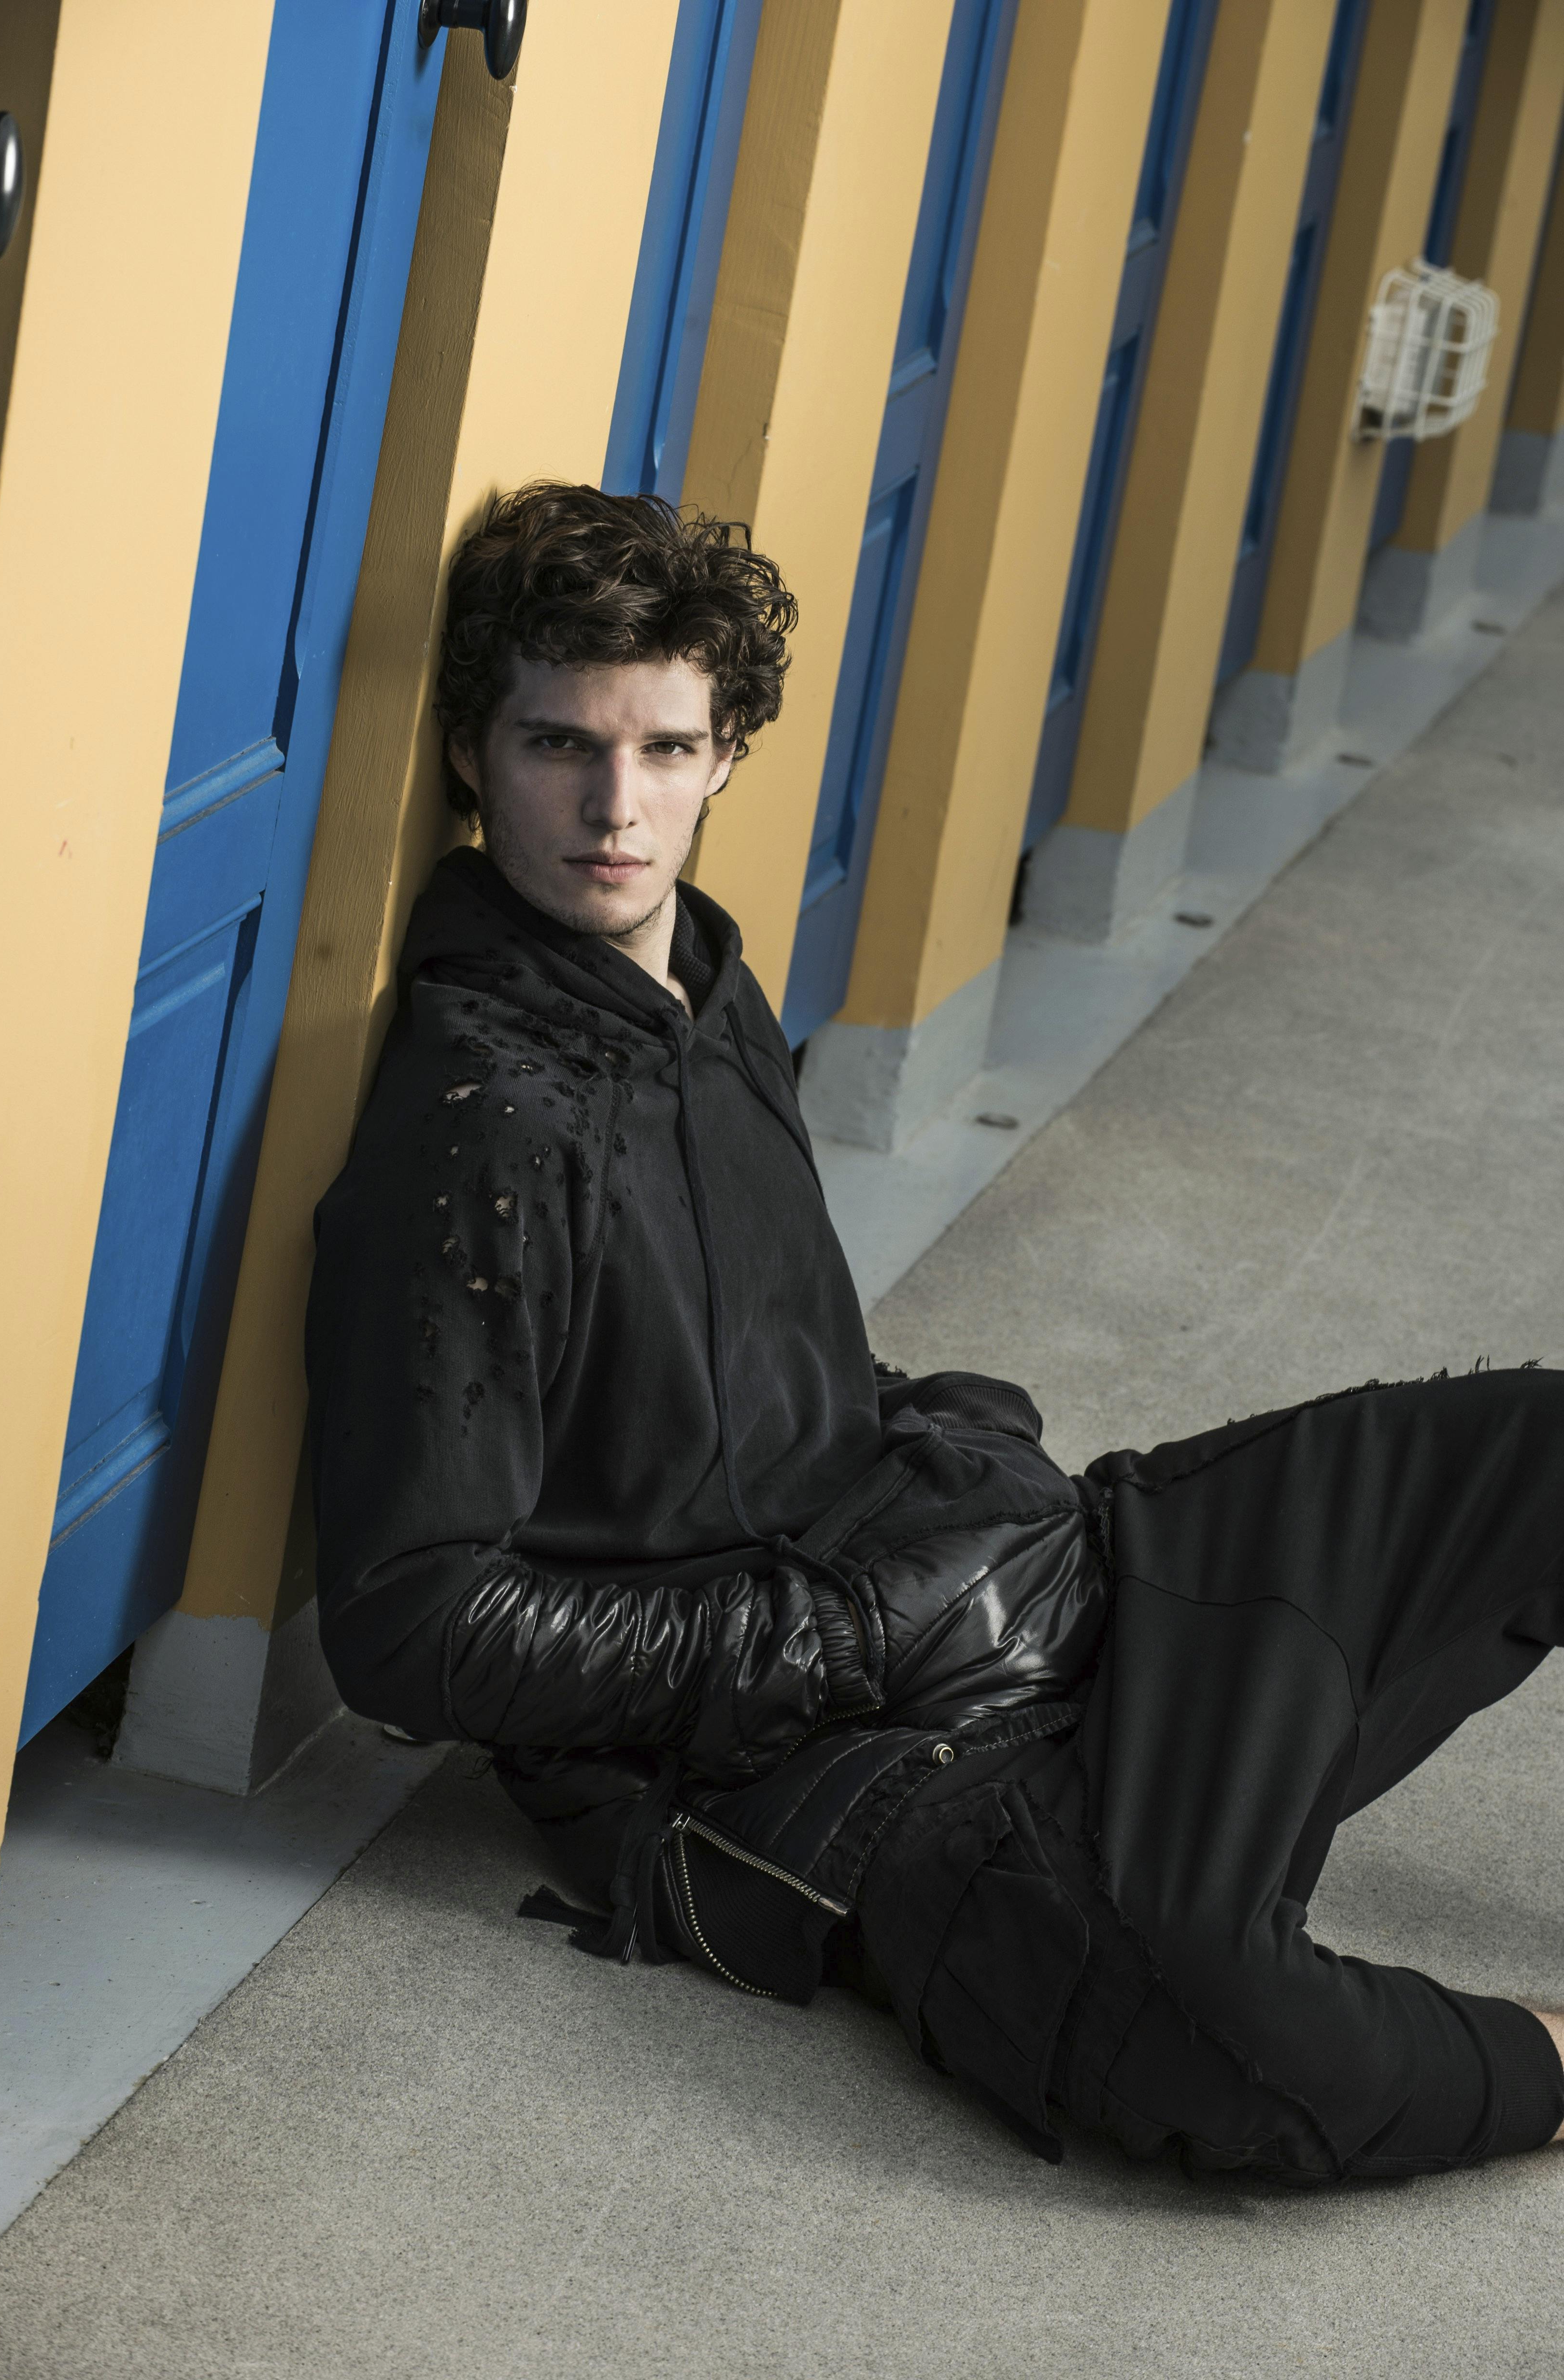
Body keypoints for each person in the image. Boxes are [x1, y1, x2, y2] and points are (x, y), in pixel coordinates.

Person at [306, 480, 1564, 2184]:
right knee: (1210, 2031)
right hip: (858, 1755)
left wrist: (928, 1440)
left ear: (727, 753)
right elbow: (412, 1627)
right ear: (470, 754)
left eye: (666, 749)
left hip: (1040, 1571)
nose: (617, 808)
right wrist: (828, 1639)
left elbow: (745, 1361)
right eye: (559, 748)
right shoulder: (488, 1123)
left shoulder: (698, 976)